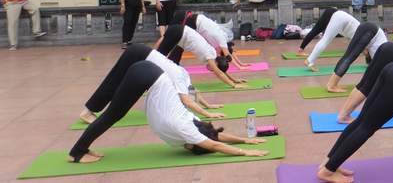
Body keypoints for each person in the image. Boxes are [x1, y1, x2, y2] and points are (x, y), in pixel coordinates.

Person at [68, 59, 267, 164]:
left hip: (148, 73)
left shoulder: (192, 122)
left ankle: (81, 149)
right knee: (112, 115)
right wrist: (245, 151)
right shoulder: (186, 129)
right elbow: (215, 145)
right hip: (147, 76)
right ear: (192, 145)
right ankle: (77, 153)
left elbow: (215, 138)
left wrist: (245, 139)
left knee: (113, 114)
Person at [78, 44, 224, 125]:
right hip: (138, 54)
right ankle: (87, 112)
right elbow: (187, 99)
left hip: (141, 52)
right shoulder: (180, 79)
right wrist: (207, 114)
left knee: (117, 82)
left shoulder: (184, 78)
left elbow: (193, 92)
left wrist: (209, 106)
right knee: (114, 81)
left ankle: (91, 110)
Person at [299, 9, 387, 93]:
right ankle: (328, 81)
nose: (364, 54)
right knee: (347, 56)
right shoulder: (379, 52)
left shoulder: (377, 46)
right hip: (343, 19)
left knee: (345, 53)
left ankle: (312, 63)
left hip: (348, 22)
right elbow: (376, 67)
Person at [157, 24, 248, 89]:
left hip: (181, 34)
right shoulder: (210, 56)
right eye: (213, 69)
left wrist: (234, 79)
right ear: (216, 64)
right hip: (180, 34)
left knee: (166, 60)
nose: (211, 70)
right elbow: (219, 73)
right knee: (158, 58)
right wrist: (233, 85)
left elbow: (221, 70)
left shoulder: (215, 55)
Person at [173, 11, 250, 71]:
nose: (218, 54)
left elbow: (231, 52)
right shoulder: (222, 41)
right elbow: (228, 55)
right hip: (192, 20)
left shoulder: (221, 43)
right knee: (178, 42)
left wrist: (242, 64)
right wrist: (239, 67)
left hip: (196, 20)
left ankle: (174, 61)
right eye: (220, 54)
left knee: (180, 42)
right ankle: (173, 61)